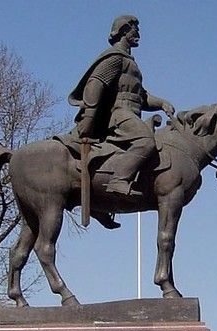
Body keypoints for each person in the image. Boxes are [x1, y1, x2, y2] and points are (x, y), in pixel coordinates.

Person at [69, 15, 175, 198]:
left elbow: (142, 96)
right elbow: (95, 84)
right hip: (118, 113)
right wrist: (89, 117)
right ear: (124, 31)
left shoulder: (130, 62)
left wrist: (162, 103)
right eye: (135, 30)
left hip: (131, 113)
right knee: (146, 141)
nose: (138, 34)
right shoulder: (115, 58)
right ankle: (119, 180)